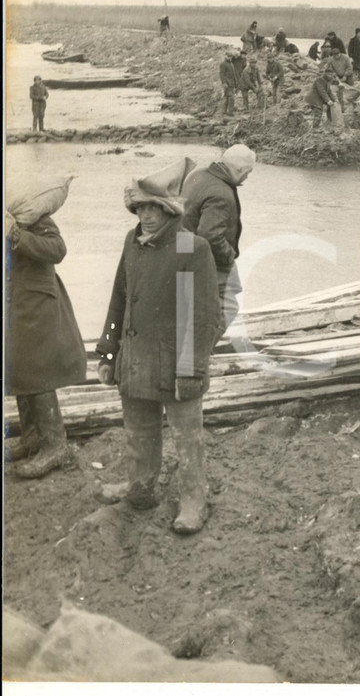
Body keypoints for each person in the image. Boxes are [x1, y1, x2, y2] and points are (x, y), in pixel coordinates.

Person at [95, 160, 219, 534]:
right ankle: (140, 487)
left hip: (175, 362)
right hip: (135, 360)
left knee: (187, 438)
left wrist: (192, 369)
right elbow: (118, 301)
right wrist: (108, 351)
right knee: (139, 431)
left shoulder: (190, 247)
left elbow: (203, 317)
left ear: (170, 210)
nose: (147, 217)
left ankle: (194, 499)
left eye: (155, 209)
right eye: (141, 208)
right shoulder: (131, 244)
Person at [5, 202, 87, 478]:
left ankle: (55, 445)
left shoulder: (32, 213)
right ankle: (31, 438)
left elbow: (57, 249)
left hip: (37, 303)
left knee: (38, 369)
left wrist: (17, 235)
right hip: (16, 303)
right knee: (19, 367)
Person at [180, 144, 256, 335]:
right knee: (227, 308)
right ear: (238, 169)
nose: (247, 177)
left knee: (199, 306)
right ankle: (201, 350)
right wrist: (229, 256)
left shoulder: (199, 174)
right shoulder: (221, 192)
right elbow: (210, 235)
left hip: (183, 250)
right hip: (208, 258)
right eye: (248, 172)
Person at [305, 68, 345, 134]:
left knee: (330, 107)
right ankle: (315, 128)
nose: (330, 75)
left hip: (320, 98)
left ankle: (330, 122)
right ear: (325, 73)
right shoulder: (319, 80)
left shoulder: (329, 81)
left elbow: (328, 92)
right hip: (314, 97)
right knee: (318, 112)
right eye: (328, 73)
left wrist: (334, 99)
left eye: (331, 74)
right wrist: (328, 100)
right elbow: (322, 91)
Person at [218, 50, 239, 116]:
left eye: (231, 56)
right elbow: (222, 74)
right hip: (228, 84)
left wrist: (236, 84)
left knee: (226, 98)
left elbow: (234, 75)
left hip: (231, 84)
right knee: (231, 98)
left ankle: (223, 112)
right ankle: (230, 112)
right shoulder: (223, 64)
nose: (230, 58)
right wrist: (224, 83)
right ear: (226, 56)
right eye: (228, 56)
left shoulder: (231, 64)